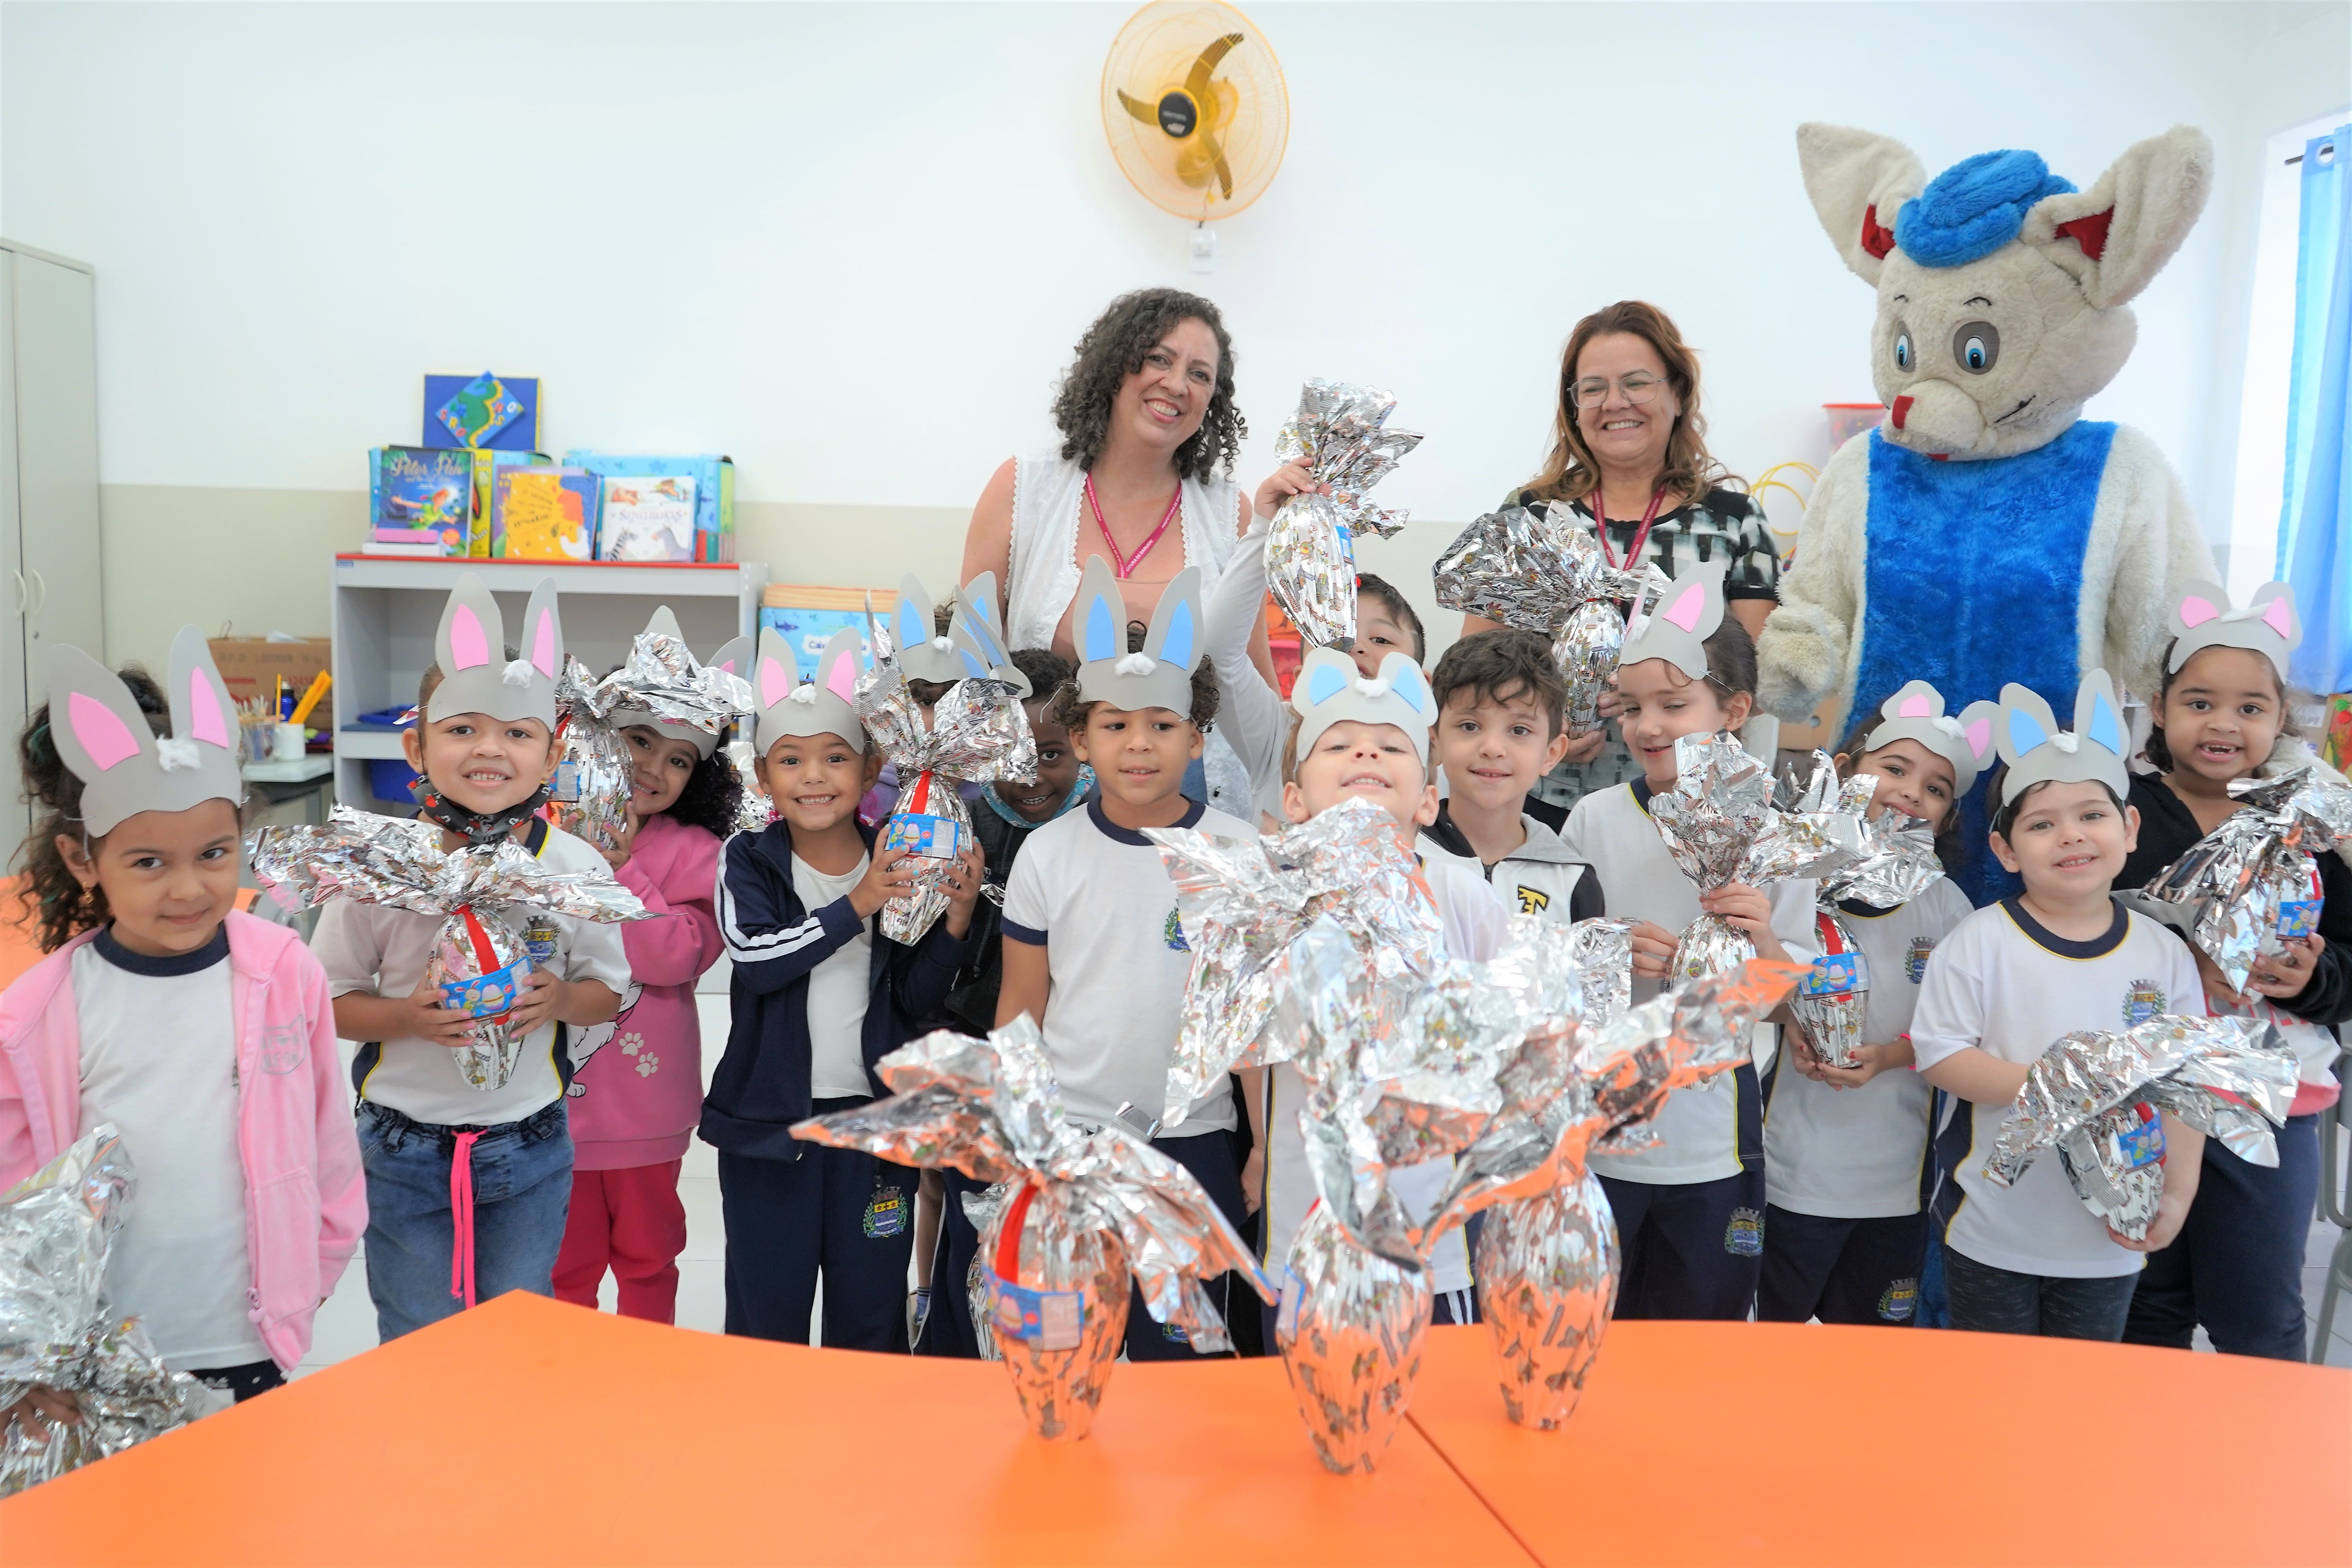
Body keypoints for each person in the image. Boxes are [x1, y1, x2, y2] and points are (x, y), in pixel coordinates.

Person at [0, 631, 362, 1434]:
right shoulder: (40, 1012)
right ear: (83, 858)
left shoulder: (283, 972)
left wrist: (311, 1272)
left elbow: (329, 1139)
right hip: (100, 1346)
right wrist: (27, 1358)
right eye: (149, 863)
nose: (191, 887)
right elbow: (16, 1202)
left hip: (250, 1330)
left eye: (214, 852)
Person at [316, 577, 627, 1341]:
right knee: (419, 1331)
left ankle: (500, 1457)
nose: (490, 747)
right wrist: (404, 1018)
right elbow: (326, 1000)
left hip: (530, 1142)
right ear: (417, 745)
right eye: (462, 729)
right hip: (402, 1144)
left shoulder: (577, 865)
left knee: (514, 1333)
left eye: (518, 732)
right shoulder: (378, 869)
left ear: (552, 751)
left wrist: (558, 999)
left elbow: (607, 994)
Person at [994, 562, 1256, 1360]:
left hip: (1196, 1142)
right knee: (1070, 1346)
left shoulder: (1240, 853)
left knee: (1181, 1354)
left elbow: (1255, 1022)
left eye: (1162, 725)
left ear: (1197, 735)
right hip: (1070, 1137)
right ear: (1080, 738)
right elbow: (1021, 1008)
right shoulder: (1047, 854)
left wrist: (1265, 1150)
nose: (1139, 742)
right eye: (1114, 725)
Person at [703, 626, 979, 1349]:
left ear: (870, 768)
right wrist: (857, 902)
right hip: (771, 1133)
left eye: (835, 757)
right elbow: (757, 957)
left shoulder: (893, 848)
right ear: (764, 779)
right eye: (791, 761)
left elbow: (914, 998)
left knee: (869, 1314)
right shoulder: (749, 860)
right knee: (769, 1314)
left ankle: (864, 1454)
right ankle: (771, 1451)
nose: (814, 775)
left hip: (872, 1130)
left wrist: (952, 924)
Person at [1911, 671, 2208, 1341]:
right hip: (1993, 1223)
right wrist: (2062, 1088)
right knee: (1995, 1398)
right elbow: (1940, 1054)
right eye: (2043, 824)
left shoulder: (2163, 955)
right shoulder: (1980, 940)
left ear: (2129, 828)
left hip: (2108, 1232)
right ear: (2006, 849)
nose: (2071, 836)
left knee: (2081, 1398)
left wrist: (2179, 1189)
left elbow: (2187, 1085)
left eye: (2092, 816)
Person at [1559, 561, 1815, 1321]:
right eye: (1632, 706)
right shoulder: (1594, 820)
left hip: (1714, 1148)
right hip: (1601, 1143)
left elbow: (1789, 1000)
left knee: (1697, 1353)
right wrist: (1600, 951)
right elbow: (1550, 973)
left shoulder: (1776, 830)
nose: (1648, 726)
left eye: (1675, 704)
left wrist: (1749, 943)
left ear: (1734, 708)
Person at [1253, 643, 1515, 1334]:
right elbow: (1239, 1046)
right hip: (1309, 1236)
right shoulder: (1272, 905)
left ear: (1428, 798)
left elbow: (1513, 1034)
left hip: (1436, 1244)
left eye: (1392, 749)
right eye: (1338, 744)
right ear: (1295, 800)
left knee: (1436, 1423)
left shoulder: (1463, 898)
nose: (1366, 756)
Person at [2114, 583, 2346, 1361]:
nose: (2223, 723)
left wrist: (2313, 979)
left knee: (2258, 1314)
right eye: (2200, 701)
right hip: (2142, 1090)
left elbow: (2347, 950)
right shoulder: (2117, 809)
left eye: (2251, 707)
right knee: (2146, 1302)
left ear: (2282, 718)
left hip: (2271, 1096)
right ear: (2159, 705)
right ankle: (2142, 1471)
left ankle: (2261, 1476)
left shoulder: (2309, 820)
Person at [960, 287, 1270, 819]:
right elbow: (971, 670)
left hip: (1197, 807)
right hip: (1041, 800)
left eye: (1200, 374)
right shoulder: (1023, 488)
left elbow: (1255, 687)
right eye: (1159, 359)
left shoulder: (1230, 512)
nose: (1177, 384)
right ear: (1114, 366)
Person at [1463, 301, 1781, 817]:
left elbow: (1755, 684)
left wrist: (1657, 698)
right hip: (1542, 796)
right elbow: (1476, 661)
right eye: (1593, 388)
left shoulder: (1733, 521)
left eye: (1636, 383)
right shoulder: (1531, 516)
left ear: (1677, 394)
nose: (1615, 403)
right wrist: (1540, 711)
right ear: (1574, 407)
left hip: (1691, 806)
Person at [1757, 681, 1991, 1328]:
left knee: (1872, 1361)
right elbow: (1745, 990)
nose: (1913, 791)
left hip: (1896, 1190)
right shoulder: (1791, 876)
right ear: (1843, 773)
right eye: (1894, 768)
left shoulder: (1948, 909)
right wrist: (1791, 1019)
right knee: (1767, 1356)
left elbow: (1966, 1038)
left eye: (1937, 788)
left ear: (1947, 819)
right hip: (1787, 1179)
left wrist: (1891, 1055)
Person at [552, 609, 748, 1325]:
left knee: (647, 1258)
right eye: (639, 740)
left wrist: (621, 869)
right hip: (548, 1105)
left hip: (646, 1109)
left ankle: (647, 1391)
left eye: (678, 759)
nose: (652, 767)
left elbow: (677, 957)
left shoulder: (696, 852)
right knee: (562, 1269)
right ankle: (563, 1394)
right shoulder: (545, 831)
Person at [1205, 452, 1428, 823]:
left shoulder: (1429, 753)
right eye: (1333, 635)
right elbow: (1218, 653)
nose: (1356, 647)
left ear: (1421, 685)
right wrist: (1266, 529)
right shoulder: (1280, 740)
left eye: (1383, 641)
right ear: (1303, 676)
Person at [1421, 628, 1600, 922]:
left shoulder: (1573, 882)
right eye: (1470, 726)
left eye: (1519, 730)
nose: (1493, 748)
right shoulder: (1400, 857)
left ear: (1551, 755)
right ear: (1435, 741)